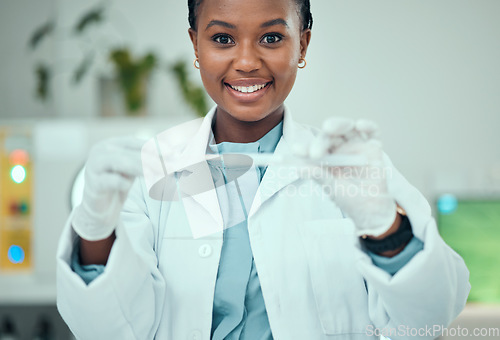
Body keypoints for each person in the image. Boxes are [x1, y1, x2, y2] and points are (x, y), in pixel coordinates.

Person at [56, 0, 471, 339]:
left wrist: (384, 226)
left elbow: (428, 318)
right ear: (196, 46)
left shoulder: (350, 165)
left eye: (272, 37)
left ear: (303, 45)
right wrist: (95, 230)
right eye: (222, 38)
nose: (247, 61)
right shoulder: (153, 169)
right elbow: (106, 330)